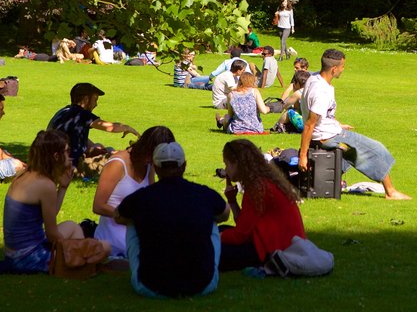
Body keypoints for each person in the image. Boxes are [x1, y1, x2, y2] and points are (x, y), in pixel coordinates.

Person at [114, 142, 229, 298]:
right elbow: (225, 213)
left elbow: (118, 215)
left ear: (155, 167)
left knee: (131, 220)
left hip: (150, 286)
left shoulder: (142, 198)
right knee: (212, 220)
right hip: (202, 285)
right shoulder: (203, 194)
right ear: (184, 166)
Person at [299, 48, 411, 200]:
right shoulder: (321, 91)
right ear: (334, 69)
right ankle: (390, 192)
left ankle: (328, 184)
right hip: (328, 137)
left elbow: (321, 115)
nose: (343, 70)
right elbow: (309, 124)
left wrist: (337, 124)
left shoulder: (314, 78)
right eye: (342, 66)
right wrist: (303, 155)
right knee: (376, 149)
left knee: (351, 154)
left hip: (328, 131)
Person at [2, 130, 107, 273]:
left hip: (13, 254)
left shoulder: (25, 175)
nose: (69, 156)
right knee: (104, 248)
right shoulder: (45, 184)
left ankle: (79, 263)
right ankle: (77, 265)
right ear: (56, 156)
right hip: (28, 258)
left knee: (72, 226)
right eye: (66, 151)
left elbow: (50, 214)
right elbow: (52, 235)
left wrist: (63, 187)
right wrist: (77, 248)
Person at [219, 139, 305, 271]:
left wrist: (216, 237)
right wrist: (232, 201)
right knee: (221, 231)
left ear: (236, 163)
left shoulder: (257, 188)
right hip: (283, 244)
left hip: (274, 251)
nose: (226, 170)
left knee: (213, 246)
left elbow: (241, 235)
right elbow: (244, 225)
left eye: (227, 164)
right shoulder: (265, 181)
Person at [93, 126, 176, 259]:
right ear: (146, 147)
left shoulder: (149, 165)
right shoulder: (117, 164)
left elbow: (152, 199)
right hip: (115, 234)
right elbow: (98, 205)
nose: (153, 161)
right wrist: (130, 217)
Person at [47, 83, 140, 168]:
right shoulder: (82, 114)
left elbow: (72, 136)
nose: (96, 104)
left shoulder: (64, 111)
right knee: (117, 158)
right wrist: (128, 128)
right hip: (69, 163)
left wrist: (94, 148)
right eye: (95, 100)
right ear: (86, 99)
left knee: (101, 147)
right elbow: (111, 127)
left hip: (53, 159)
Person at [212, 60, 246, 127]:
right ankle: (224, 120)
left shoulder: (233, 76)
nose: (244, 72)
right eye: (243, 70)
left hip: (225, 100)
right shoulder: (228, 76)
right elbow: (234, 89)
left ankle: (222, 121)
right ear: (238, 71)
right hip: (221, 102)